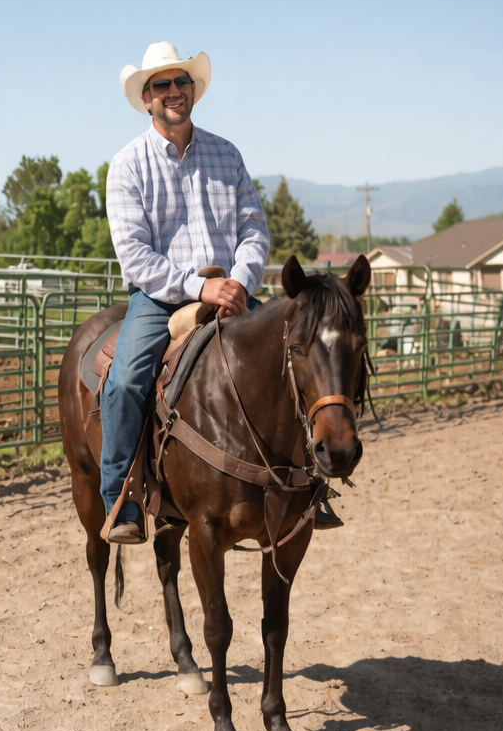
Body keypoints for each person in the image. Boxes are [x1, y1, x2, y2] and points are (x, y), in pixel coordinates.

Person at [99, 41, 343, 545]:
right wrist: (200, 286)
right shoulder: (127, 165)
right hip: (162, 296)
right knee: (124, 381)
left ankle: (309, 484)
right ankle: (122, 497)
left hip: (231, 291)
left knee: (297, 354)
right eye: (161, 84)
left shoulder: (225, 154)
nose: (173, 91)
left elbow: (253, 228)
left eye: (181, 82)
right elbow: (135, 255)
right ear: (146, 98)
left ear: (193, 90)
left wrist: (240, 281)